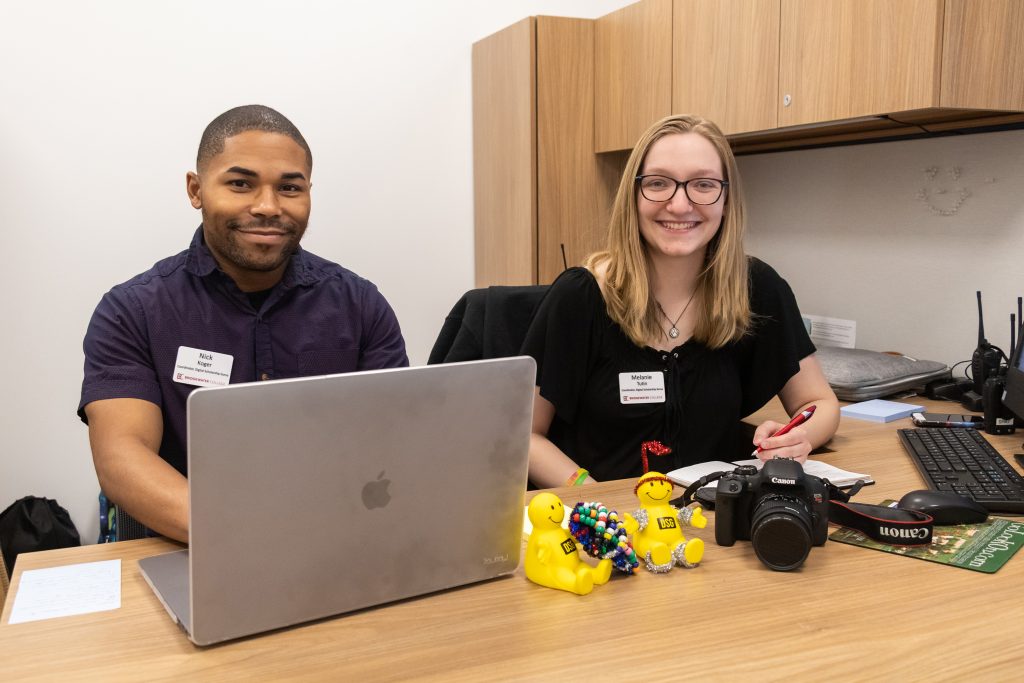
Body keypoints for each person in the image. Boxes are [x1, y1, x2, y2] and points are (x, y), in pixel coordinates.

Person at [79, 105, 408, 542]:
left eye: (290, 187)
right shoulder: (133, 310)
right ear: (196, 190)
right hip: (182, 547)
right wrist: (252, 535)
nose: (268, 207)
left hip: (336, 541)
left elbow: (395, 439)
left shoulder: (360, 304)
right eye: (240, 184)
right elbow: (123, 457)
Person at [522, 114, 839, 488]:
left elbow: (820, 403)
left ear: (725, 197)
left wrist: (799, 437)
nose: (679, 204)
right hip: (607, 533)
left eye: (703, 185)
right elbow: (524, 436)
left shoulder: (756, 287)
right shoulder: (582, 296)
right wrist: (597, 498)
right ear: (633, 195)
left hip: (709, 523)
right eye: (658, 183)